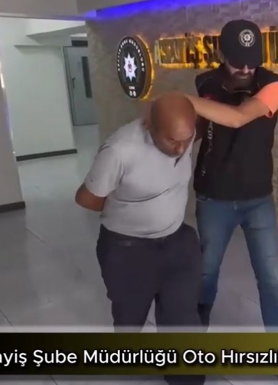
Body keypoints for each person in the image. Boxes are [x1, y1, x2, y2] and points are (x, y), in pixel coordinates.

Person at [182, 19, 278, 385]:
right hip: (213, 197)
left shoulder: (273, 85)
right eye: (237, 60)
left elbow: (239, 118)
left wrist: (178, 100)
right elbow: (200, 129)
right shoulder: (205, 84)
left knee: (271, 279)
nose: (244, 68)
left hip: (258, 200)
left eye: (251, 61)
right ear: (222, 54)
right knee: (206, 276)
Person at [74, 93, 204, 385]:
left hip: (178, 242)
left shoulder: (184, 135)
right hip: (127, 250)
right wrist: (132, 210)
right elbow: (86, 199)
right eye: (172, 141)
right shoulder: (120, 151)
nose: (181, 149)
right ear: (149, 124)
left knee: (182, 317)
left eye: (187, 140)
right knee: (129, 318)